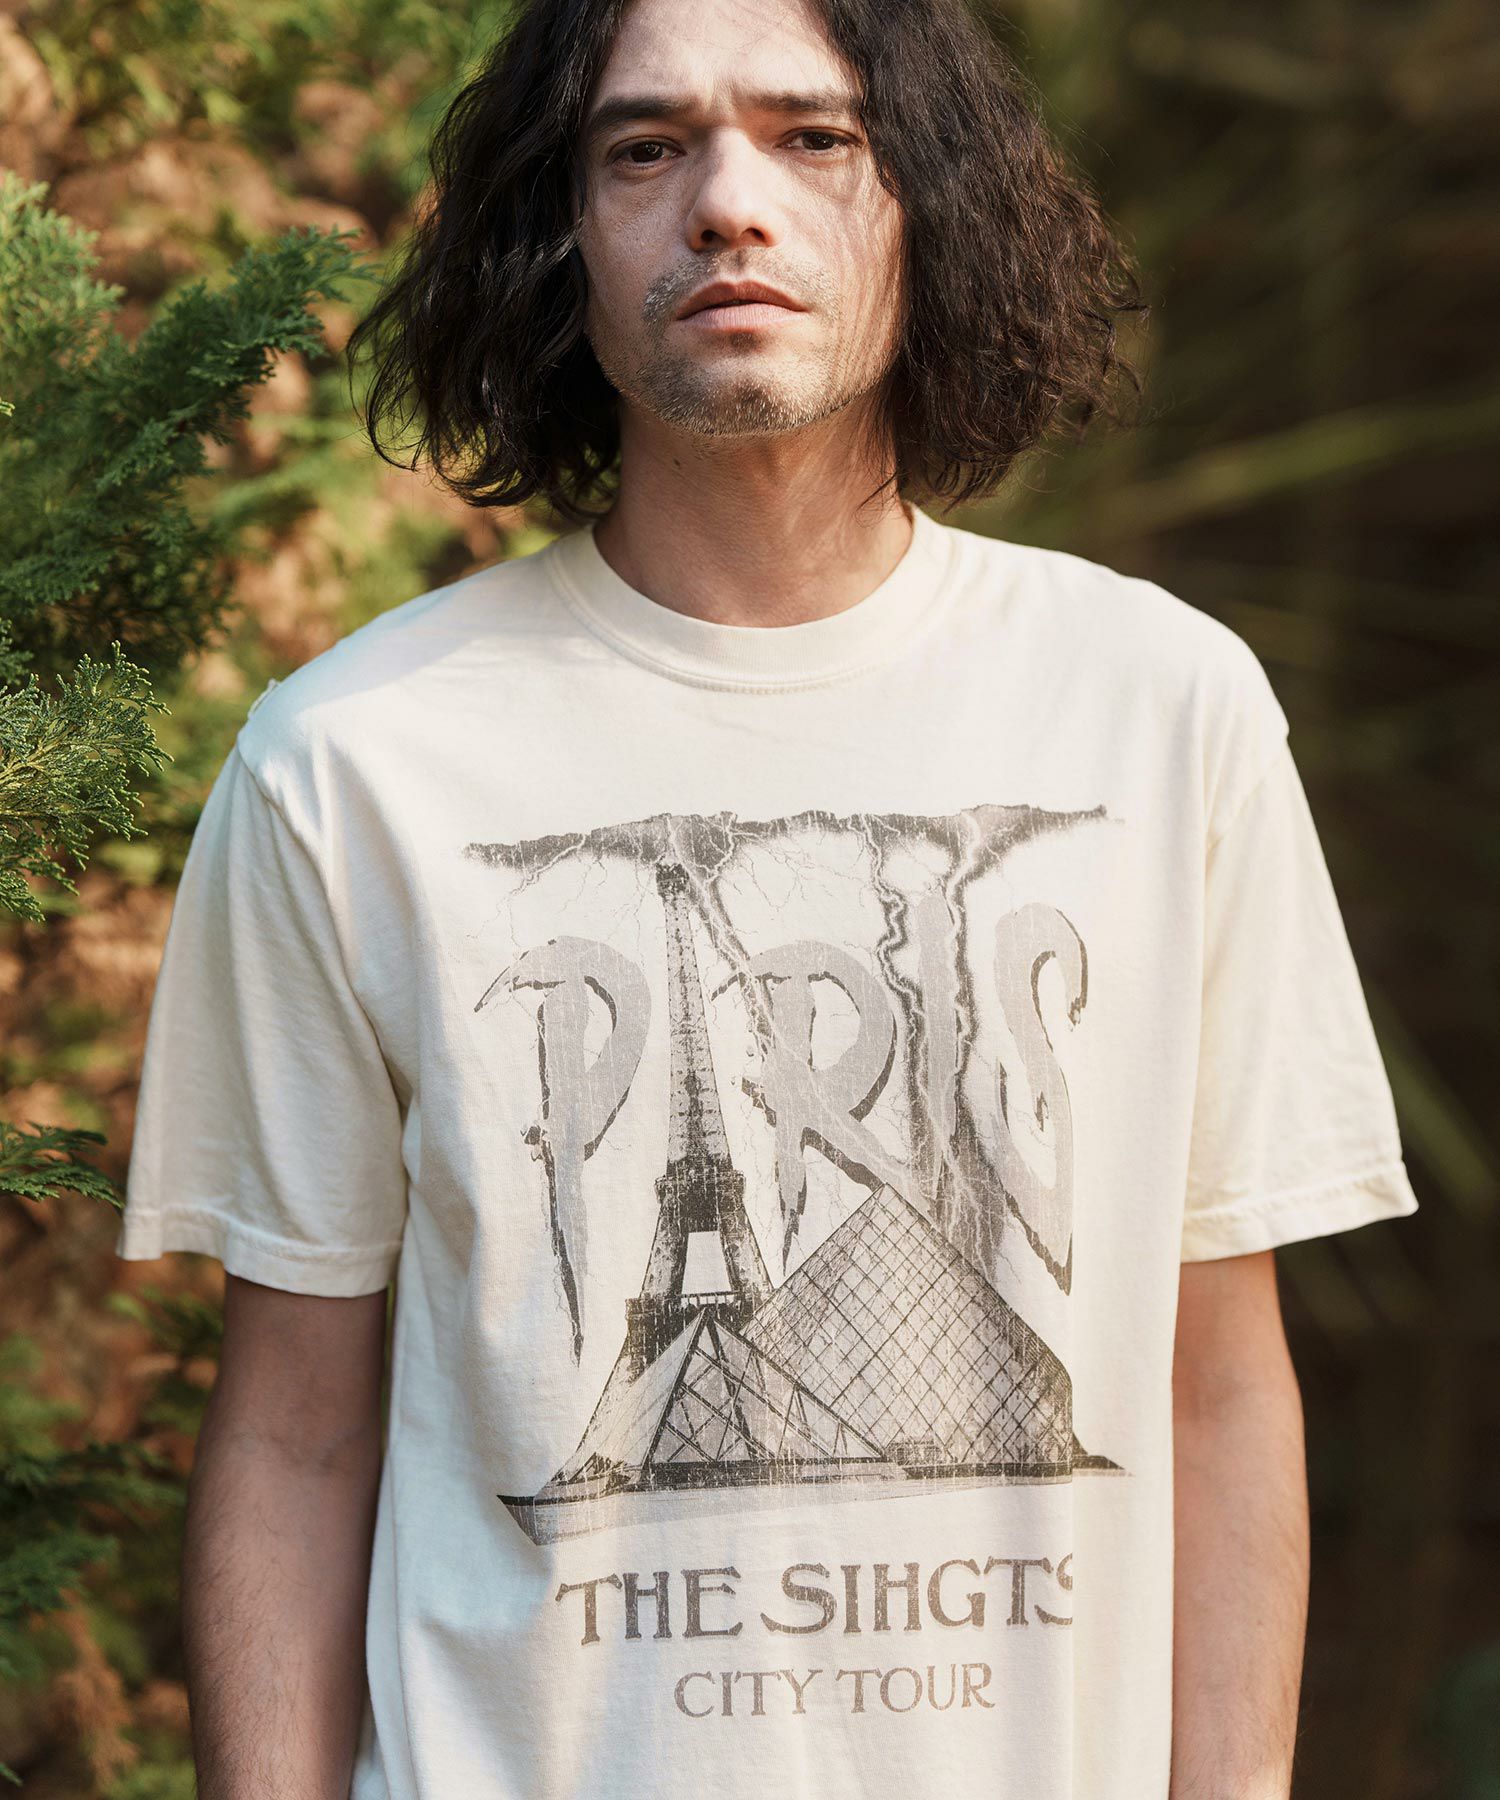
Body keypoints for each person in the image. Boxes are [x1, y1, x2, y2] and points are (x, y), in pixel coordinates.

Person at [114, 0, 1421, 1793]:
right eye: (645, 148)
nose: (729, 200)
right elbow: (294, 1436)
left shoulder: (1162, 709)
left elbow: (1216, 1384)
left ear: (928, 204)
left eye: (817, 137)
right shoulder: (353, 762)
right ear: (558, 236)